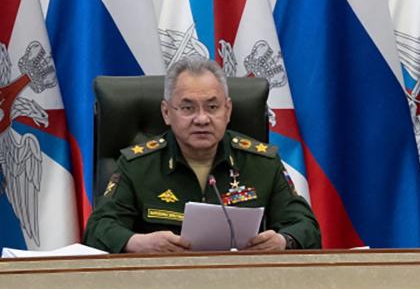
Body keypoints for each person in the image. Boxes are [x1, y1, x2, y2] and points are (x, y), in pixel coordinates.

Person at [84, 58, 321, 254]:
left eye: (212, 107)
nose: (202, 119)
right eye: (188, 108)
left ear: (227, 110)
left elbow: (306, 227)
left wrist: (283, 241)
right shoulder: (137, 165)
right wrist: (138, 243)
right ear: (167, 113)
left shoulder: (262, 162)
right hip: (163, 288)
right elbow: (98, 229)